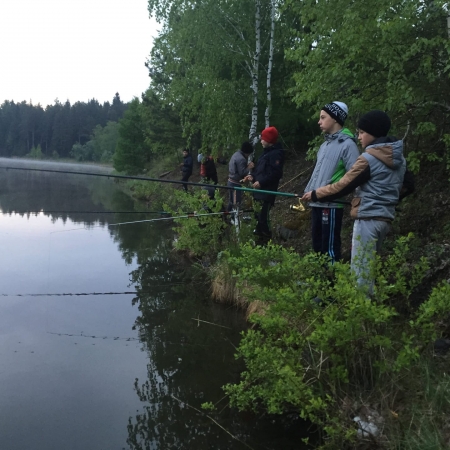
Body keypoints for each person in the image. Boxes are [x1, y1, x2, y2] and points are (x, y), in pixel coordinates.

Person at [302, 110, 413, 293]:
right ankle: (368, 315)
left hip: (367, 220)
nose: (359, 137)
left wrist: (315, 194)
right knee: (370, 270)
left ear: (373, 133)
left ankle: (359, 317)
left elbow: (342, 186)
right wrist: (388, 199)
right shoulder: (399, 158)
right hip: (385, 219)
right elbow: (409, 185)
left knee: (360, 274)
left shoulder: (368, 159)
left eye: (361, 132)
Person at [303, 101, 360, 263]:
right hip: (316, 203)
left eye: (323, 117)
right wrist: (309, 191)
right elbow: (318, 174)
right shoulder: (324, 145)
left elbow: (355, 176)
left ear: (335, 119)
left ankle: (332, 282)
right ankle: (319, 280)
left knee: (329, 248)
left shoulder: (348, 145)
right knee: (317, 245)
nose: (319, 121)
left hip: (332, 205)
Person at [243, 126, 284, 241]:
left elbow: (276, 174)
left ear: (269, 140)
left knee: (263, 218)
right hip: (258, 192)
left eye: (263, 138)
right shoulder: (264, 153)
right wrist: (253, 177)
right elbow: (260, 171)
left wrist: (261, 182)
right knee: (257, 217)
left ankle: (267, 242)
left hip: (266, 192)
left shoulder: (276, 154)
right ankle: (259, 244)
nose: (261, 140)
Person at [227, 141, 254, 212]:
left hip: (230, 181)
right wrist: (249, 167)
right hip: (235, 183)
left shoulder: (236, 154)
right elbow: (242, 173)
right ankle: (234, 218)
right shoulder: (241, 159)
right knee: (236, 202)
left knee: (231, 200)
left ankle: (226, 215)